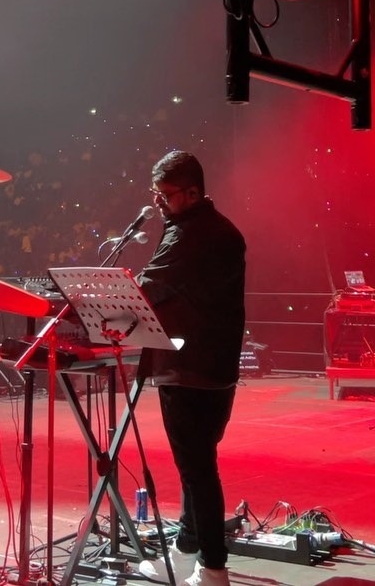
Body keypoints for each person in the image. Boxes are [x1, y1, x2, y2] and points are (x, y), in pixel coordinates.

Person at [136, 151, 246, 586]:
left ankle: (214, 568)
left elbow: (149, 288)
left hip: (188, 367)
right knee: (197, 464)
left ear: (193, 192)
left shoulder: (188, 234)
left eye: (164, 194)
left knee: (198, 469)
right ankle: (186, 553)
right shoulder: (225, 231)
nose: (158, 202)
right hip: (217, 366)